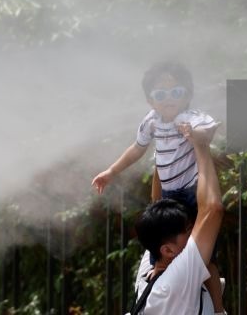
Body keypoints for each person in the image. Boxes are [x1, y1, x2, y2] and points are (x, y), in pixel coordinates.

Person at [91, 61, 225, 311]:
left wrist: (198, 136)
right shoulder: (151, 122)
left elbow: (206, 125)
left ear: (187, 94)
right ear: (151, 101)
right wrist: (111, 171)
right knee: (207, 258)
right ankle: (219, 309)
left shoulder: (188, 118)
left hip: (187, 192)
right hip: (174, 194)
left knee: (209, 262)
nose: (169, 99)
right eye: (161, 94)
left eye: (176, 92)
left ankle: (219, 307)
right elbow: (213, 209)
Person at [129, 122, 225, 314]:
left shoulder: (152, 269)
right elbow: (213, 209)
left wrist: (166, 151)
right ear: (168, 250)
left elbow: (157, 202)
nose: (195, 232)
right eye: (189, 230)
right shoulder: (175, 283)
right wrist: (201, 145)